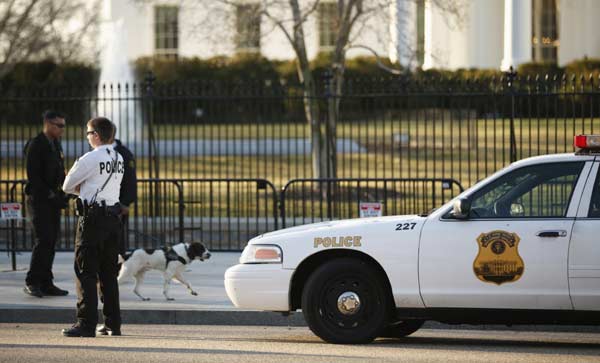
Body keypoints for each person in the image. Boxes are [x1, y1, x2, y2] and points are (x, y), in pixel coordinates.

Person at [61, 117, 124, 338]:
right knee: (108, 273)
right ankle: (112, 324)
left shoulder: (90, 158)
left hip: (93, 220)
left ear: (96, 135)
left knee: (85, 272)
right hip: (112, 220)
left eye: (88, 133)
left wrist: (85, 191)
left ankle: (86, 324)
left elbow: (67, 186)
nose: (88, 137)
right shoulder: (119, 157)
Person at [23, 110, 69, 298]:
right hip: (39, 201)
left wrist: (64, 191)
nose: (62, 130)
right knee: (43, 240)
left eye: (63, 126)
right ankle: (32, 281)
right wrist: (51, 196)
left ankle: (46, 281)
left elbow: (60, 171)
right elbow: (34, 177)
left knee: (51, 241)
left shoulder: (55, 144)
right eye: (59, 126)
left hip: (52, 201)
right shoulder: (36, 145)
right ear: (48, 124)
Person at [113, 138, 137, 256]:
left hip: (119, 204)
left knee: (117, 238)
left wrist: (126, 203)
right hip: (103, 204)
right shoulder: (98, 152)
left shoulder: (124, 153)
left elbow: (130, 180)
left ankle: (118, 268)